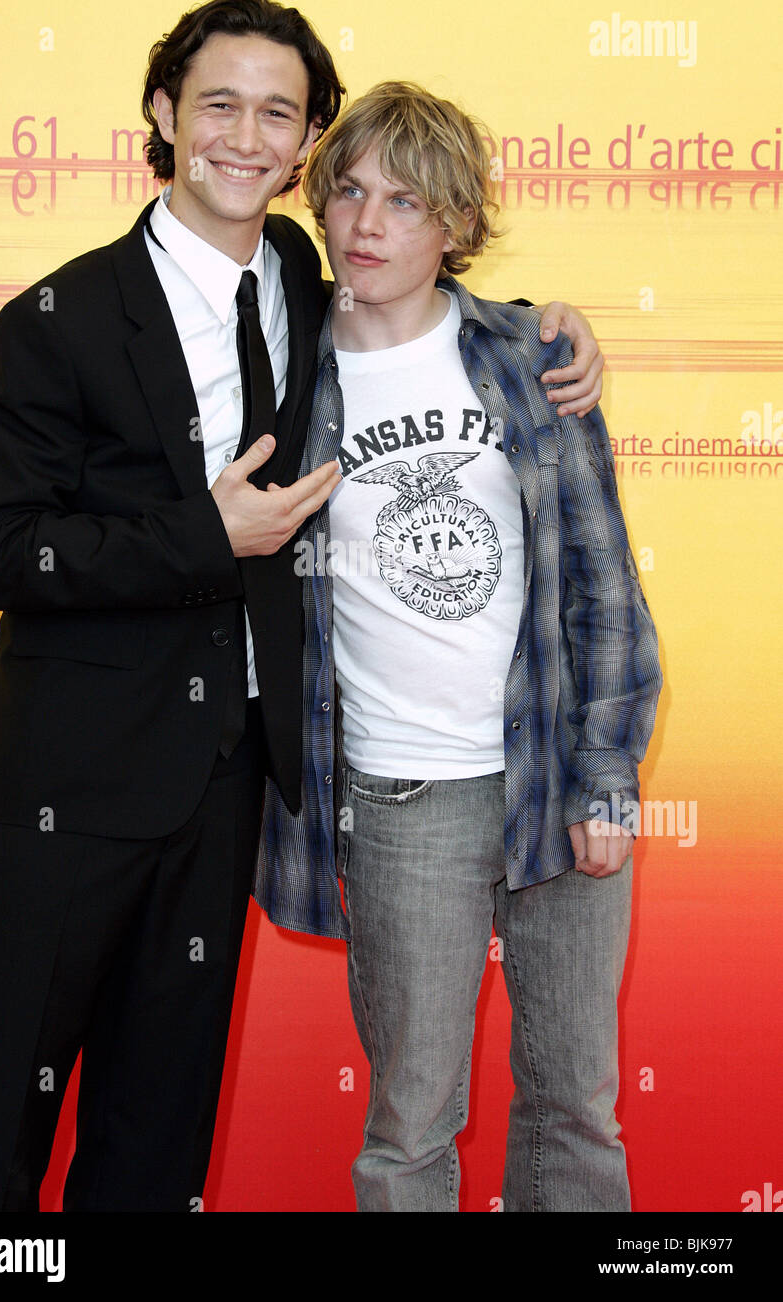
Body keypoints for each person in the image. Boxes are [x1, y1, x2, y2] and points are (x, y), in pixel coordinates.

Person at [0, 0, 605, 1212]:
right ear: (161, 113)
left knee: (156, 1132)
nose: (246, 137)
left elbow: (431, 302)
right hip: (68, 789)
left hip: (228, 781)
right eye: (218, 104)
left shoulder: (304, 274)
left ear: (304, 145)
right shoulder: (59, 317)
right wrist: (205, 532)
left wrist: (553, 324)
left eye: (277, 114)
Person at [257, 82, 662, 1212]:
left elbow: (603, 584)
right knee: (409, 1121)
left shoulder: (523, 356)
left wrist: (605, 777)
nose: (364, 223)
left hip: (550, 779)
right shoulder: (285, 375)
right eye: (347, 191)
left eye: (402, 200)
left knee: (576, 1101)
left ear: (453, 226)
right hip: (397, 798)